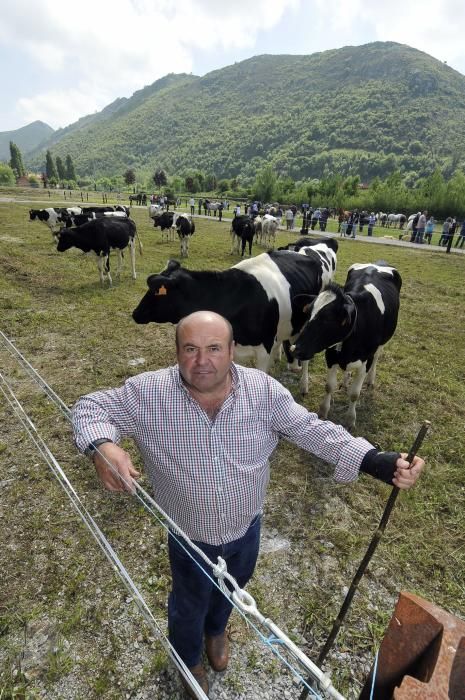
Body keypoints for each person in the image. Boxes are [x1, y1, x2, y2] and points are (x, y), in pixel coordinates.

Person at [72, 311, 425, 698]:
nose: (201, 361)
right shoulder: (146, 394)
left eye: (213, 349)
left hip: (246, 527)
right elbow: (89, 407)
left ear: (232, 350)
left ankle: (217, 629)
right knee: (188, 603)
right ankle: (189, 659)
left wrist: (376, 460)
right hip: (189, 536)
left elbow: (311, 429)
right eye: (190, 349)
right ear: (176, 352)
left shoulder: (264, 392)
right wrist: (101, 445)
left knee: (233, 587)